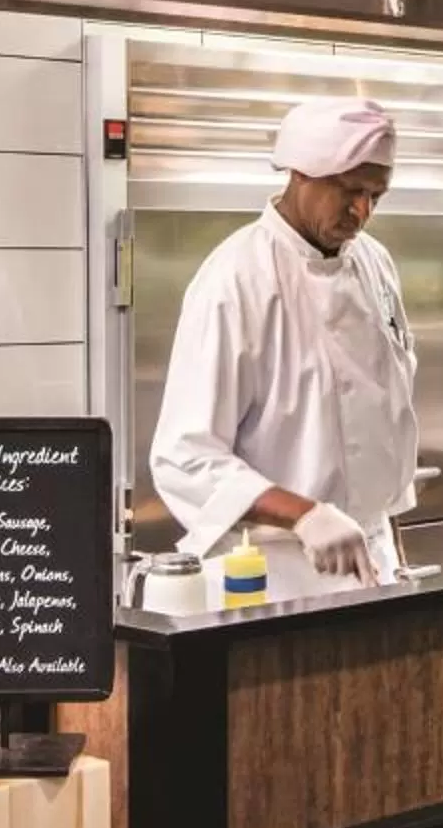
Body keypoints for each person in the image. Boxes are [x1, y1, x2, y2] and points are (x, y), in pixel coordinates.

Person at [149, 96, 421, 597]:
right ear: (301, 173)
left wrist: (399, 562)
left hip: (373, 566)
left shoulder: (375, 263)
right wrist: (306, 515)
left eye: (376, 196)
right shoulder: (236, 279)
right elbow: (185, 456)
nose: (362, 212)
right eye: (350, 191)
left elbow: (388, 419)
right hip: (272, 576)